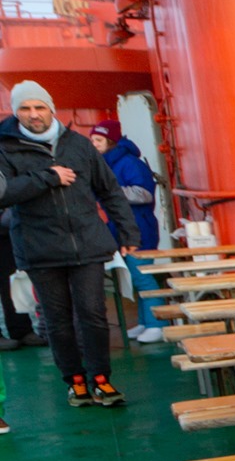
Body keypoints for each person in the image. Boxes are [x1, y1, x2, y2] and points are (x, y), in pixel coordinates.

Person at [0, 80, 140, 406]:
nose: (34, 114)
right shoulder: (5, 148)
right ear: (15, 111)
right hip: (40, 248)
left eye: (39, 107)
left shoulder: (78, 144)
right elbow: (4, 192)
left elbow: (109, 189)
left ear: (51, 108)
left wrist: (128, 232)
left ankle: (101, 379)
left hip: (87, 244)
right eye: (25, 108)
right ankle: (75, 381)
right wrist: (48, 177)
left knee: (92, 314)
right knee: (58, 320)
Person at [88, 120, 166, 344]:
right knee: (136, 277)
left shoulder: (129, 163)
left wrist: (109, 191)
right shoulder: (108, 163)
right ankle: (145, 321)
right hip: (120, 227)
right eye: (92, 140)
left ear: (110, 141)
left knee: (143, 278)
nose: (94, 144)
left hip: (140, 228)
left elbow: (144, 193)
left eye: (98, 140)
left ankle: (157, 324)